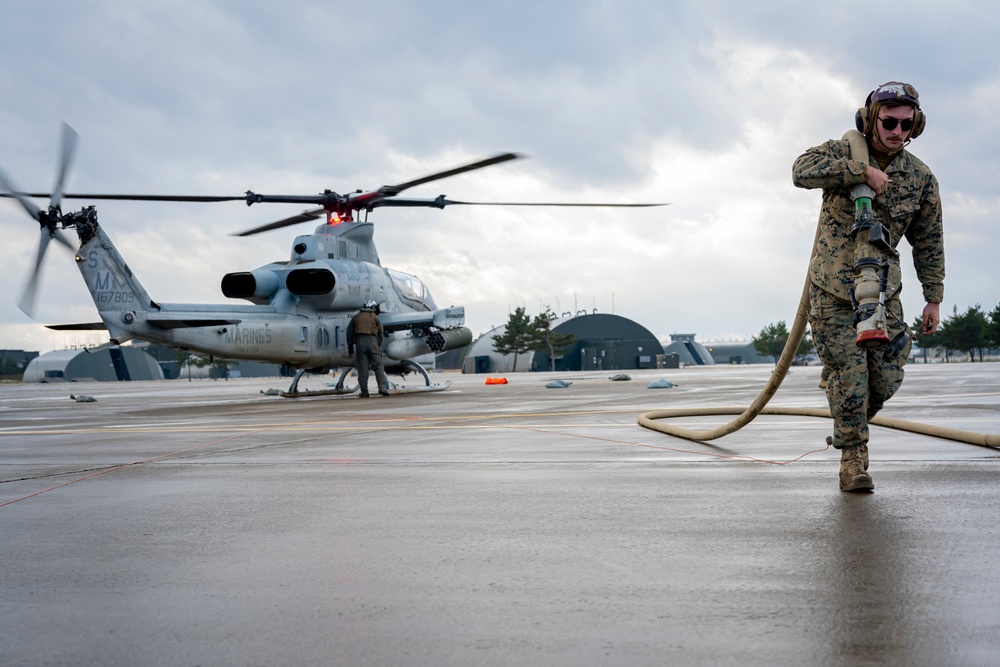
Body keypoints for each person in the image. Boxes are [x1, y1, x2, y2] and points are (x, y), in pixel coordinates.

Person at [792, 81, 944, 492]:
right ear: (870, 118)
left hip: (883, 291)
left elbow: (929, 241)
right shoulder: (844, 152)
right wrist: (859, 172)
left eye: (906, 124)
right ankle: (852, 461)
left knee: (888, 376)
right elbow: (800, 170)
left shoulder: (920, 178)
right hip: (834, 292)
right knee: (853, 375)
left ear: (917, 126)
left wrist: (933, 298)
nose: (897, 131)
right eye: (889, 122)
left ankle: (845, 404)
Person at [347, 300, 390, 397]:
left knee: (362, 368)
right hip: (373, 343)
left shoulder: (356, 317)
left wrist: (350, 347)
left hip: (359, 344)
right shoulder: (376, 318)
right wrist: (377, 346)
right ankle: (382, 387)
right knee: (378, 366)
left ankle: (364, 392)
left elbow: (349, 333)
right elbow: (381, 334)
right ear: (374, 308)